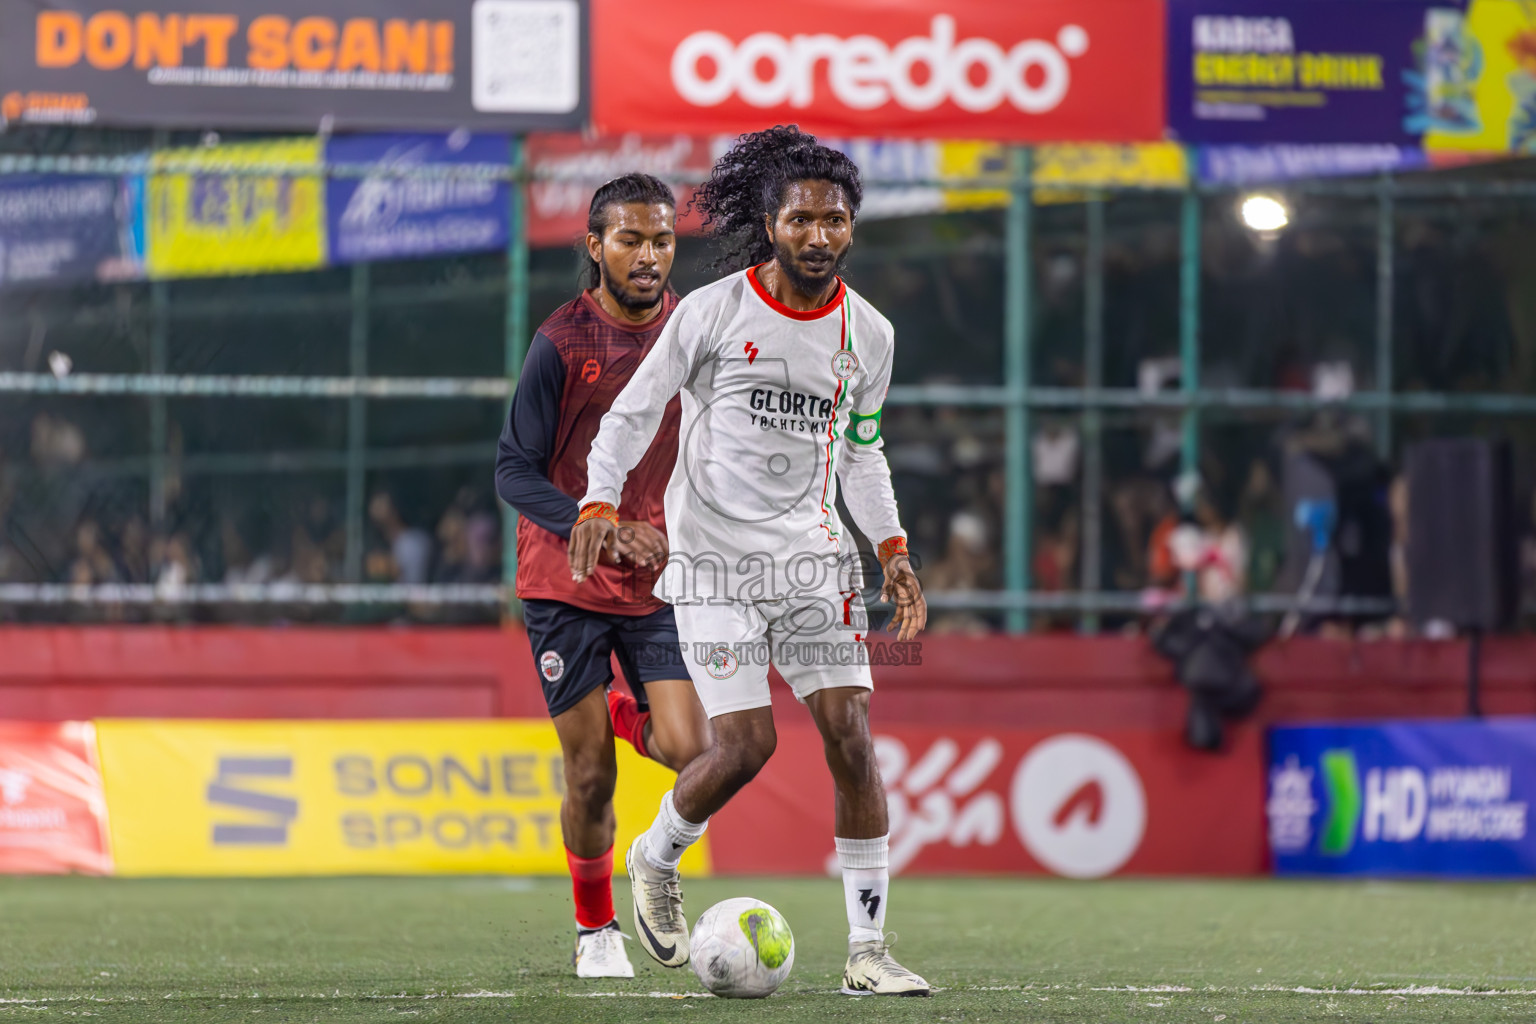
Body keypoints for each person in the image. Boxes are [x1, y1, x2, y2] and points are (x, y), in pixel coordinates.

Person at [569, 126, 930, 997]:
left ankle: (868, 953)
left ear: (852, 228)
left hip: (812, 563)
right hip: (713, 563)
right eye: (802, 218)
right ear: (770, 222)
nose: (820, 235)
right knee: (746, 744)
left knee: (851, 736)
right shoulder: (714, 311)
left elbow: (863, 453)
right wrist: (598, 497)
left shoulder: (868, 335)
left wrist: (891, 547)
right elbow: (632, 411)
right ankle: (657, 853)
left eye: (836, 220)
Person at [493, 172, 711, 979]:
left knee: (696, 750)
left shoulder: (696, 334)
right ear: (595, 247)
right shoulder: (561, 342)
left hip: (656, 579)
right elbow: (514, 471)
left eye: (661, 240)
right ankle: (595, 930)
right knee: (591, 777)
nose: (649, 255)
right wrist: (597, 525)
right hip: (565, 578)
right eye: (630, 239)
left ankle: (619, 710)